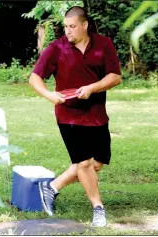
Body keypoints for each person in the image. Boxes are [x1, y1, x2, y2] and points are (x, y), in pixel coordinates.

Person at [29, 6, 121, 227]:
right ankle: (98, 208)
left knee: (97, 163)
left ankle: (51, 187)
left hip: (97, 114)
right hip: (68, 115)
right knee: (84, 163)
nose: (67, 31)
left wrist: (92, 87)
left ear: (84, 25)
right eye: (65, 27)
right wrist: (50, 95)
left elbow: (115, 76)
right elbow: (34, 78)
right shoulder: (57, 48)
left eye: (72, 26)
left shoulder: (103, 44)